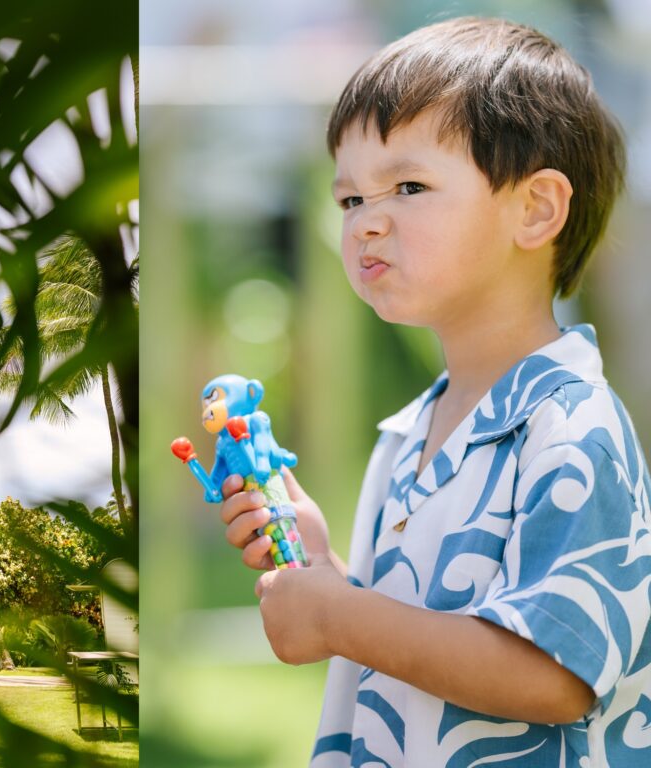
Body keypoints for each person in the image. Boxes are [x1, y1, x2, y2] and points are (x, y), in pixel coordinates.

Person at [219, 17, 651, 767]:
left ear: (537, 209)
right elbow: (423, 633)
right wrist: (322, 569)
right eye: (350, 199)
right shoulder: (408, 433)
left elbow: (555, 675)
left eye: (408, 187)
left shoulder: (572, 427)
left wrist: (339, 617)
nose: (365, 224)